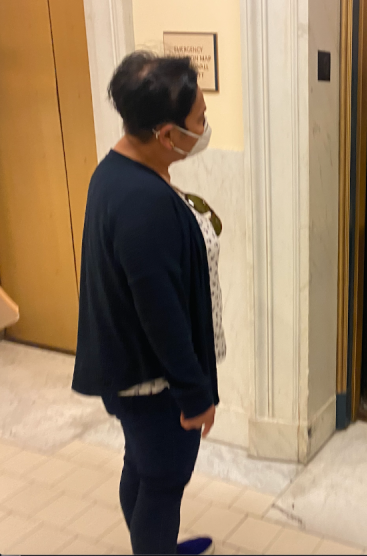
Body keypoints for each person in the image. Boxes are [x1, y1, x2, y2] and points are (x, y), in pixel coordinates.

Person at [72, 52, 226, 555]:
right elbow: (159, 313)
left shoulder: (116, 170)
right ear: (166, 134)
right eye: (199, 119)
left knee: (140, 465)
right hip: (152, 381)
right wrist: (195, 394)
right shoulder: (143, 202)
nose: (204, 128)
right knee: (162, 482)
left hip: (127, 368)